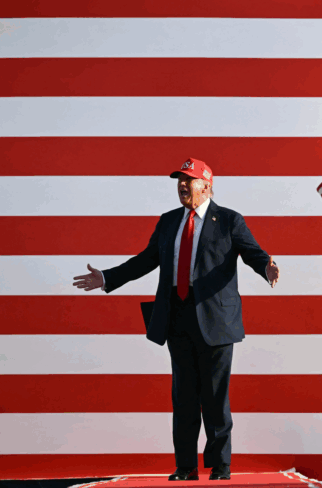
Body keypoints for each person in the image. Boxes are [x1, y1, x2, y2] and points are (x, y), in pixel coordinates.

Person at [72, 158, 279, 481]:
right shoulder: (169, 221)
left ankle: (220, 466)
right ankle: (185, 467)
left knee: (214, 397)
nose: (183, 186)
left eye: (190, 180)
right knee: (183, 397)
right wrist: (108, 278)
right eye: (179, 181)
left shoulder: (228, 219)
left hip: (215, 318)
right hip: (176, 316)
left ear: (207, 185)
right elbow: (147, 259)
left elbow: (251, 252)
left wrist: (267, 267)